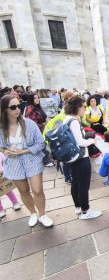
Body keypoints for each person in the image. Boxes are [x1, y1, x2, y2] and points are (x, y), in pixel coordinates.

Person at [0, 95, 53, 227]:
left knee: (37, 190)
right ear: (4, 110)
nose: (17, 109)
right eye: (13, 107)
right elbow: (1, 146)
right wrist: (5, 151)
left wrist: (23, 151)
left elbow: (41, 143)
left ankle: (42, 214)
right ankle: (32, 213)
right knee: (23, 190)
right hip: (13, 163)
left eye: (19, 106)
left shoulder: (29, 123)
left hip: (31, 159)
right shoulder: (1, 128)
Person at [64, 95, 102, 219]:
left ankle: (78, 207)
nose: (84, 109)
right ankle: (86, 211)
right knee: (83, 185)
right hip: (81, 157)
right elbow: (80, 142)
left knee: (75, 182)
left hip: (72, 157)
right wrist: (92, 141)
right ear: (77, 107)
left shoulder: (67, 119)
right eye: (83, 107)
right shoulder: (74, 122)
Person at [0, 152, 21, 218]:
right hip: (2, 174)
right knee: (8, 190)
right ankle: (15, 204)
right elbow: (6, 161)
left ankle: (1, 211)